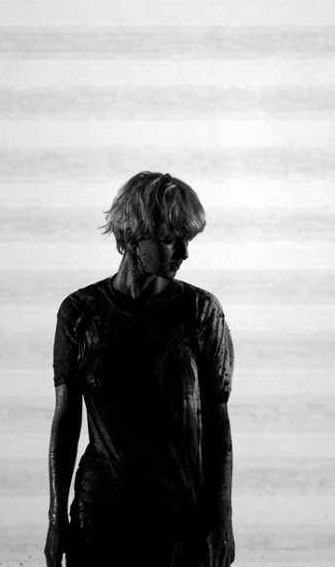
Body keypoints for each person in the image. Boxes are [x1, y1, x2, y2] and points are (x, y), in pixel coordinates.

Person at [45, 172, 235, 567]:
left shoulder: (201, 313)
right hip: (102, 516)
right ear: (132, 237)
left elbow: (218, 426)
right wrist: (56, 518)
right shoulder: (80, 313)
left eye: (188, 239)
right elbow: (66, 419)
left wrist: (221, 519)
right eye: (170, 240)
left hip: (181, 516)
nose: (184, 252)